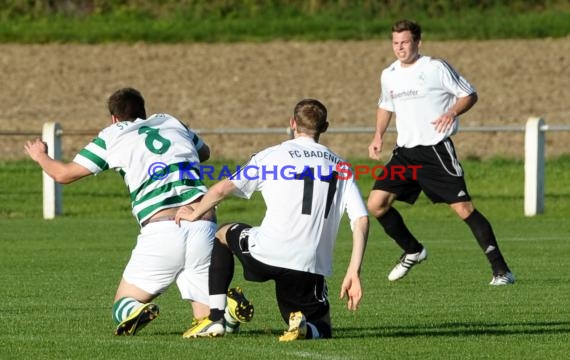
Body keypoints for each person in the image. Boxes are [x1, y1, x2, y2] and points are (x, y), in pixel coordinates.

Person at [24, 87, 251, 336]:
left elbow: (63, 174)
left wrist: (40, 156)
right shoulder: (170, 121)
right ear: (144, 111)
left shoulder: (112, 135)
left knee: (122, 306)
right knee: (207, 319)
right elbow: (205, 152)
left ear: (114, 118)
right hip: (202, 220)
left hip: (162, 226)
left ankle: (135, 309)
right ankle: (226, 311)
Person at [174, 99, 369, 341]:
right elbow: (361, 220)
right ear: (325, 127)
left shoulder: (272, 155)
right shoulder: (342, 166)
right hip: (308, 265)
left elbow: (221, 189)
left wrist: (194, 213)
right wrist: (353, 270)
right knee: (323, 329)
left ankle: (215, 318)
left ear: (292, 123)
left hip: (266, 253)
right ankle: (306, 327)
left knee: (223, 234)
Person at [367, 19, 515, 285]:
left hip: (436, 151)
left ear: (418, 42)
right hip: (405, 153)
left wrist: (452, 112)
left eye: (405, 42)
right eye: (395, 43)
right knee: (376, 204)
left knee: (463, 209)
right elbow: (385, 106)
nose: (400, 48)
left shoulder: (435, 67)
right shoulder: (388, 74)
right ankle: (413, 250)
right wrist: (378, 135)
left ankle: (502, 271)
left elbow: (469, 94)